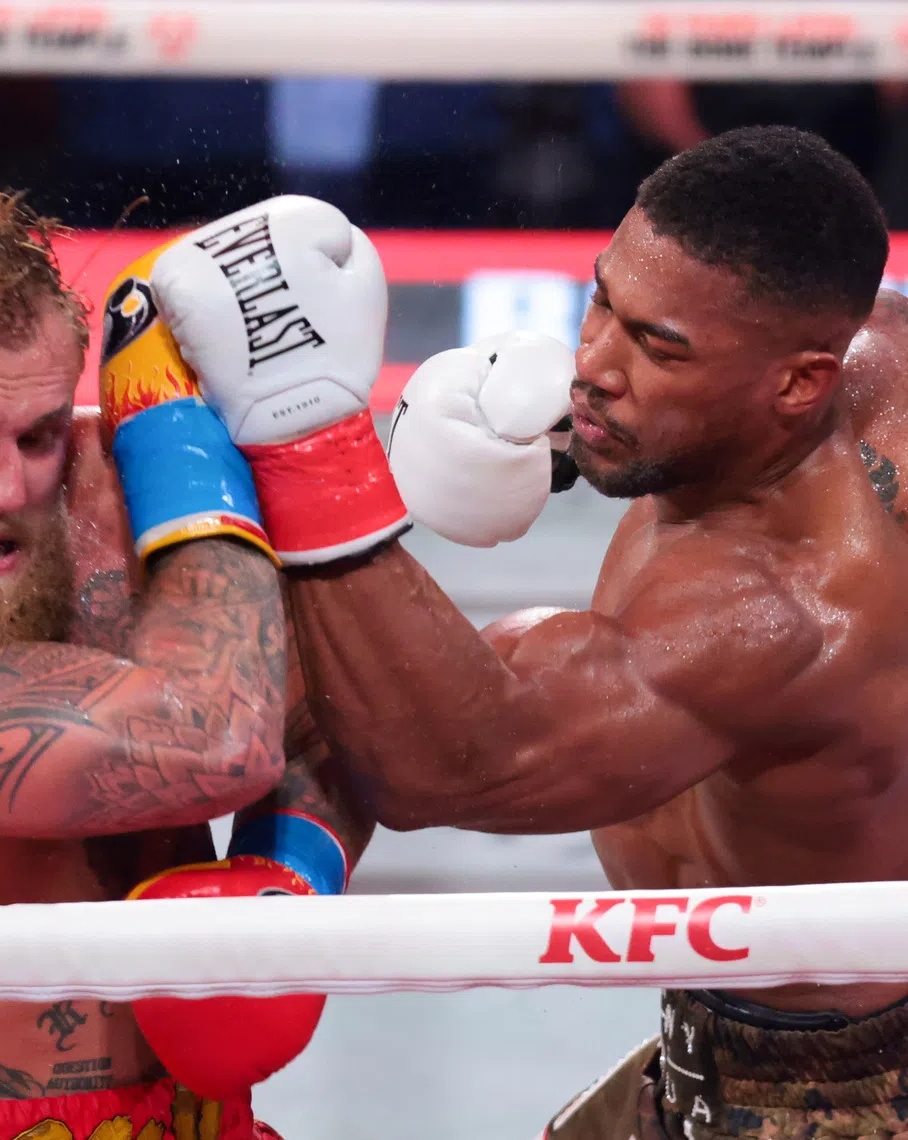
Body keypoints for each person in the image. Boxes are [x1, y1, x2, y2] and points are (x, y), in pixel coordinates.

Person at [144, 126, 908, 1139]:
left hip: (831, 1098)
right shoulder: (861, 361)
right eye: (604, 303)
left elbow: (457, 764)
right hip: (716, 1029)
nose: (592, 365)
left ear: (799, 385)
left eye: (658, 349)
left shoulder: (780, 609)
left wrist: (316, 458)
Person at [0, 157, 374, 1140]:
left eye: (39, 433)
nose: (8, 486)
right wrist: (189, 452)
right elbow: (217, 741)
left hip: (207, 1119)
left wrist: (290, 871)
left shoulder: (108, 498)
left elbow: (342, 720)